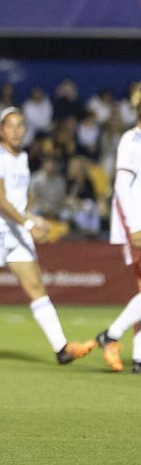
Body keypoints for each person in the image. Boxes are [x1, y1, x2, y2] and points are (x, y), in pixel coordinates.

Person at [0, 109, 95, 368]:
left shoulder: (23, 158)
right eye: (10, 126)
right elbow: (0, 201)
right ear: (0, 130)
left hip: (16, 232)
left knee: (37, 288)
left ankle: (62, 349)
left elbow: (18, 202)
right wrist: (28, 224)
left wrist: (33, 218)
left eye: (20, 126)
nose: (16, 130)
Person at [94, 91, 141, 372]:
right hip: (135, 225)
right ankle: (111, 335)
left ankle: (138, 357)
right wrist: (134, 227)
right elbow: (122, 188)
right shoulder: (131, 140)